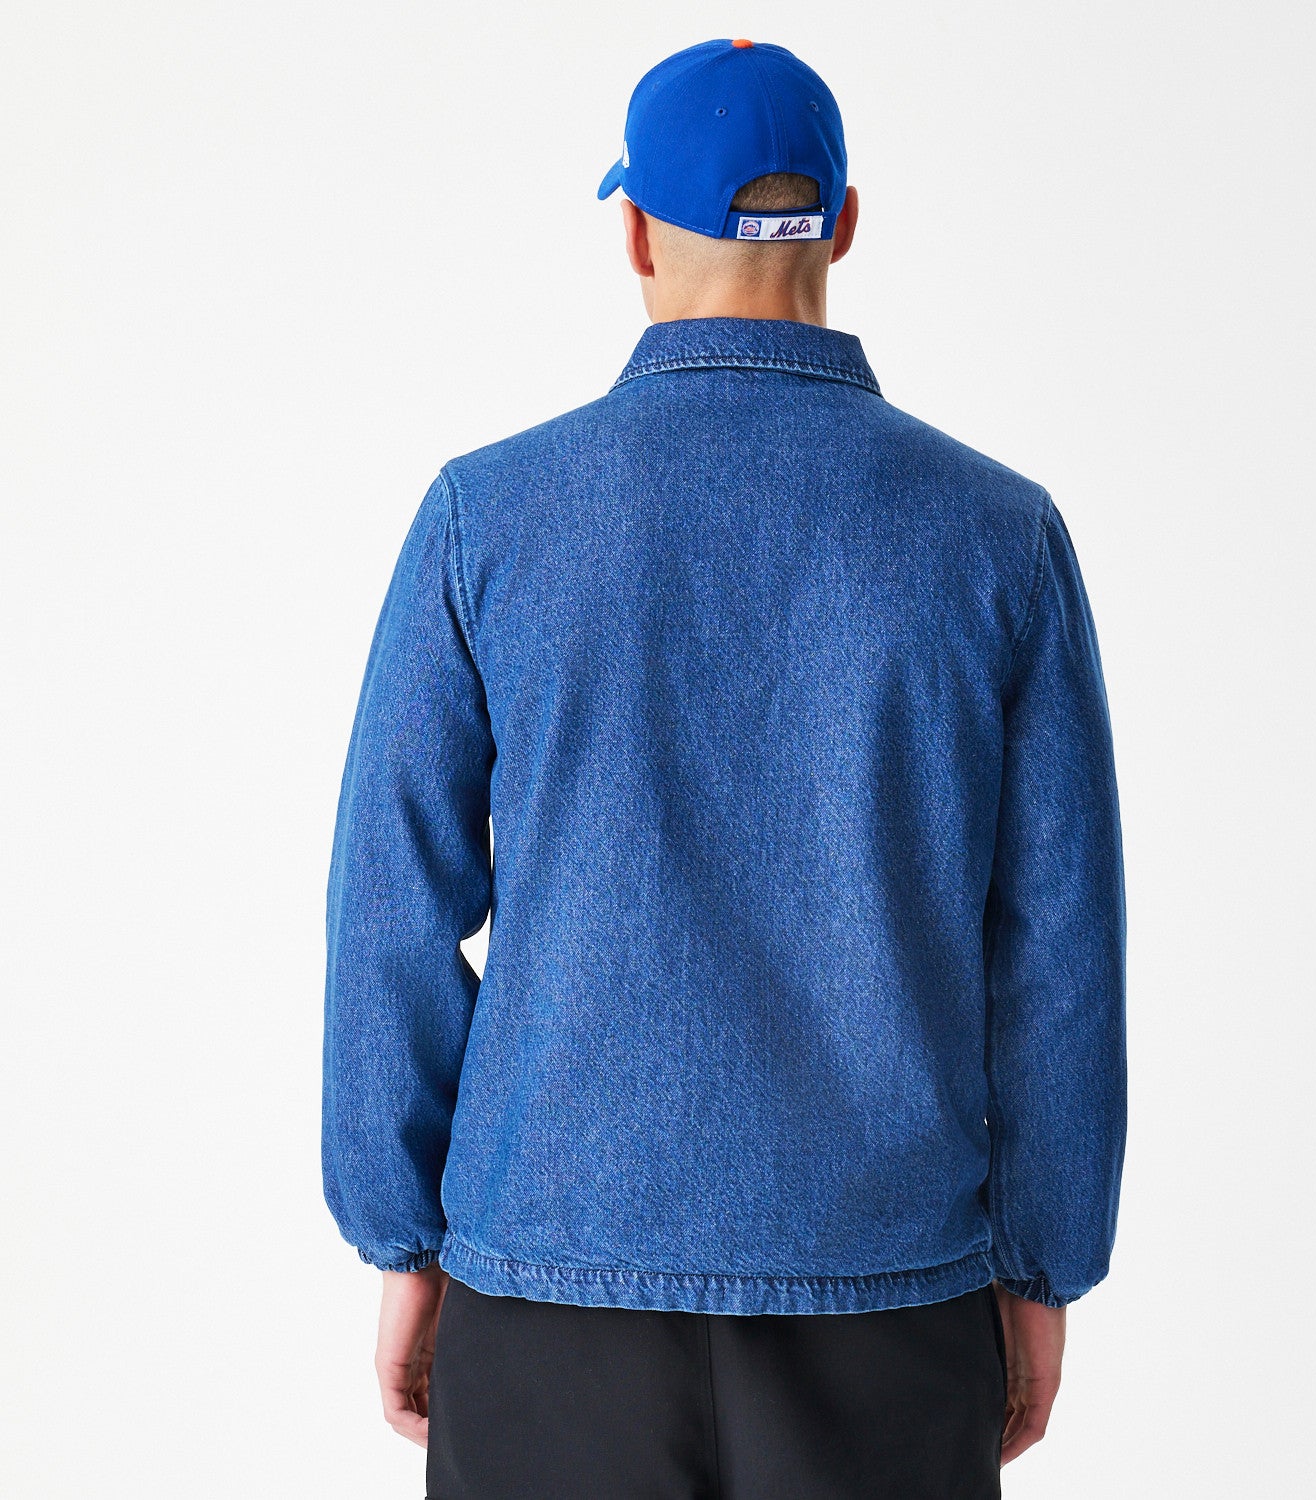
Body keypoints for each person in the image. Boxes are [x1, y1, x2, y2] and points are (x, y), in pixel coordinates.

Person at [323, 37, 1127, 1500]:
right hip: (888, 1293)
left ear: (633, 231)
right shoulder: (999, 535)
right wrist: (1041, 1268)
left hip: (550, 1279)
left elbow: (391, 909)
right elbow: (1056, 947)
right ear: (845, 223)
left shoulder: (486, 519)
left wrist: (405, 1241)